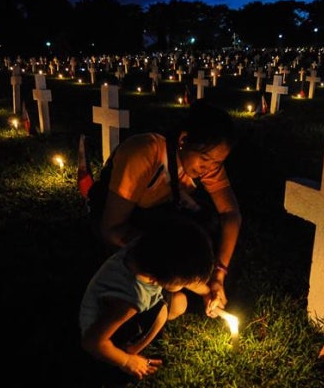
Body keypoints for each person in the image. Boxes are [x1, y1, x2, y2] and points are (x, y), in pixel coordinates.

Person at [91, 99, 241, 319]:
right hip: (124, 224)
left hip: (157, 218)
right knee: (175, 300)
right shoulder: (145, 152)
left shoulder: (207, 164)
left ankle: (170, 283)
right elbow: (111, 229)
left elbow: (230, 214)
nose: (209, 169)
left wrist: (219, 273)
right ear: (183, 140)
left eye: (217, 163)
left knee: (206, 226)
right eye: (205, 159)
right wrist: (177, 264)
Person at [79, 214, 215, 385]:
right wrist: (127, 361)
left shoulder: (147, 248)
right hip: (102, 335)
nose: (189, 285)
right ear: (162, 279)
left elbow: (175, 272)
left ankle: (131, 347)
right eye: (186, 282)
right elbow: (91, 342)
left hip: (115, 304)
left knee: (179, 303)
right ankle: (129, 350)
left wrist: (207, 292)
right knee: (164, 310)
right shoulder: (129, 301)